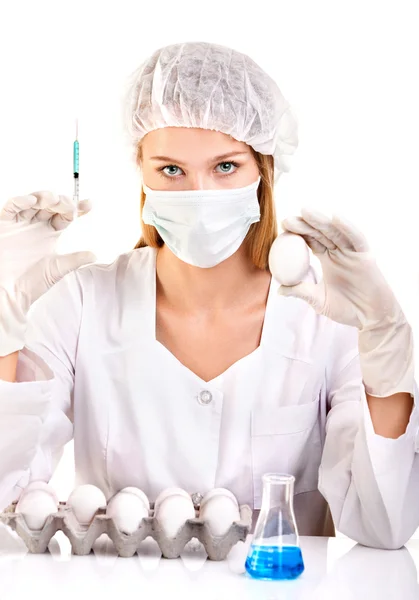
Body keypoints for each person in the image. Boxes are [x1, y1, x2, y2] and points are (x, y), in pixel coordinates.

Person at [0, 41, 418, 550]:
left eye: (225, 167)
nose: (199, 194)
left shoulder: (327, 315)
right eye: (171, 170)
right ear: (142, 173)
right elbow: (9, 496)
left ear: (264, 170)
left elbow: (384, 526)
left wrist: (386, 350)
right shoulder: (81, 305)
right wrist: (3, 329)